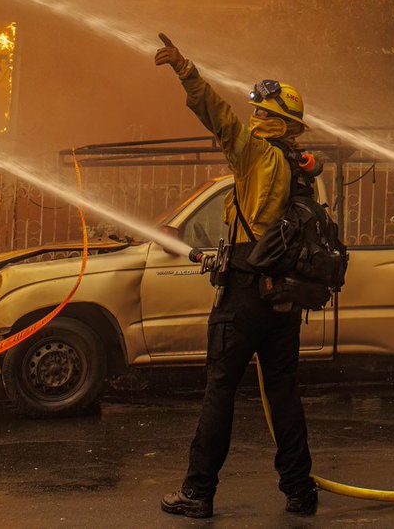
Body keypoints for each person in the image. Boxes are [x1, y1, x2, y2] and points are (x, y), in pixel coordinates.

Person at [154, 33, 317, 519]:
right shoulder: (300, 167)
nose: (255, 116)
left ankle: (198, 492)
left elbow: (219, 118)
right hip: (284, 295)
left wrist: (187, 72)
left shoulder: (257, 155)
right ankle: (300, 491)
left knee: (220, 388)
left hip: (246, 291)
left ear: (280, 122)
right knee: (283, 391)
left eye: (264, 112)